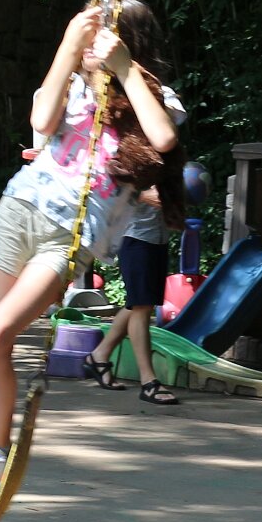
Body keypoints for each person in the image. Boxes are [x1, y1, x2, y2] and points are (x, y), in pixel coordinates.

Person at [0, 0, 181, 522]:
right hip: (18, 211)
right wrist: (68, 48)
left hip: (68, 238)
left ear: (129, 42)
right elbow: (41, 120)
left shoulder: (152, 96)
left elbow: (163, 139)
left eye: (102, 35)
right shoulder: (72, 82)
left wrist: (124, 70)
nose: (92, 45)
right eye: (89, 34)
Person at [84, 23, 188, 407]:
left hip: (153, 228)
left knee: (139, 300)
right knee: (142, 305)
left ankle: (98, 357)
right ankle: (149, 381)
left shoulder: (151, 99)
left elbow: (168, 133)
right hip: (131, 229)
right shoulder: (107, 109)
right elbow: (104, 169)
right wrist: (143, 192)